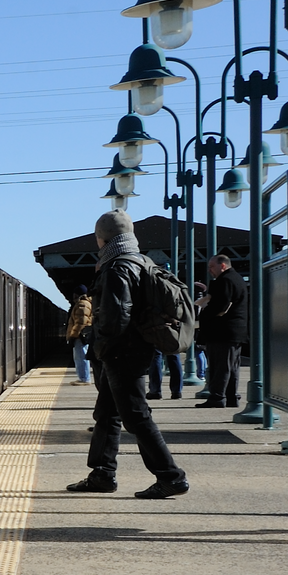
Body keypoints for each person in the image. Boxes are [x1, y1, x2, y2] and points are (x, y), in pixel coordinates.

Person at [67, 210, 190, 498]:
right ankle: (102, 473)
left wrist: (98, 346)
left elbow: (115, 318)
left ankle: (171, 476)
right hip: (132, 350)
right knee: (107, 413)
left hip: (123, 353)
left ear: (102, 238)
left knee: (136, 416)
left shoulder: (116, 267)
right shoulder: (141, 261)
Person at [194, 254, 247, 409]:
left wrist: (203, 312)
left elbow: (221, 307)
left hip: (222, 331)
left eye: (212, 267)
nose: (210, 270)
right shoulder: (237, 279)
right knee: (232, 367)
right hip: (235, 331)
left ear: (222, 265)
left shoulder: (225, 281)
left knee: (220, 366)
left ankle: (217, 397)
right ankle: (231, 397)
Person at [65, 285, 93, 384]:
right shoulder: (84, 303)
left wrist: (73, 335)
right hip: (80, 335)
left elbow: (81, 322)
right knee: (80, 356)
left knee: (81, 356)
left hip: (80, 336)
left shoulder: (82, 304)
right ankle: (83, 377)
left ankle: (84, 379)